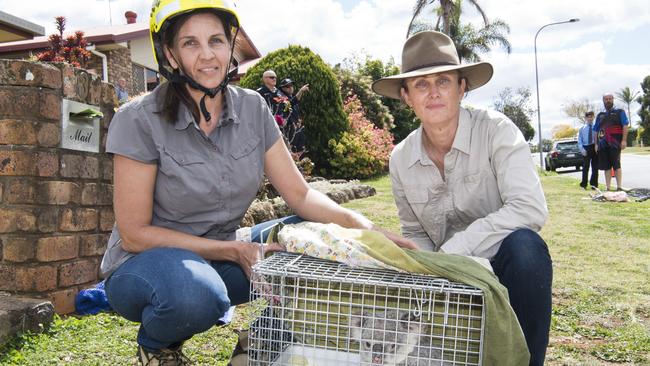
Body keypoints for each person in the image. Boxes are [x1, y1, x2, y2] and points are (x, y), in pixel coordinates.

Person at [100, 1, 415, 365]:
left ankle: (260, 340)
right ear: (170, 54)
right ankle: (155, 345)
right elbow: (135, 233)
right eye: (190, 43)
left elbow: (300, 194)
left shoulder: (252, 108)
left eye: (216, 40)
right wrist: (233, 250)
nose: (207, 55)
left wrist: (366, 230)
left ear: (229, 46)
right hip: (146, 265)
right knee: (198, 295)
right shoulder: (138, 119)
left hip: (222, 254)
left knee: (322, 238)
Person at [371, 31, 551, 366]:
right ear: (406, 96)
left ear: (462, 88)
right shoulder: (400, 158)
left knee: (528, 249)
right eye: (421, 84)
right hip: (444, 273)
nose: (434, 92)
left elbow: (530, 208)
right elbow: (414, 231)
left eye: (444, 81)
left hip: (499, 262)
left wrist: (453, 253)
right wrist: (427, 267)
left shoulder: (497, 130)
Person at [594, 93, 629, 191]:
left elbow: (625, 126)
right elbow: (595, 130)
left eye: (610, 99)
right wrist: (596, 144)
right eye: (606, 99)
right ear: (603, 101)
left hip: (616, 143)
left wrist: (624, 140)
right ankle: (608, 188)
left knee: (617, 165)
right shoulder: (600, 115)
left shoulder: (620, 112)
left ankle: (619, 187)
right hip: (603, 144)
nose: (608, 100)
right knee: (607, 167)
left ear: (613, 99)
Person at [279, 78, 309, 148]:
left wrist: (299, 120)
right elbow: (291, 102)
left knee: (301, 147)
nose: (290, 88)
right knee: (291, 149)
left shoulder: (291, 97)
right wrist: (301, 91)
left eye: (291, 85)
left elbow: (295, 104)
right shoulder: (281, 98)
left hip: (297, 127)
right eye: (287, 86)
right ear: (282, 88)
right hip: (289, 129)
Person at [578, 111, 598, 189]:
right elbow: (579, 140)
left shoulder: (596, 127)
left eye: (591, 117)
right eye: (588, 117)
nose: (590, 118)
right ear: (585, 118)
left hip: (594, 147)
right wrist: (582, 150)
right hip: (586, 148)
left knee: (595, 167)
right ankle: (584, 184)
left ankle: (594, 184)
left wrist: (597, 146)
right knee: (585, 167)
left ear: (593, 117)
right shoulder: (582, 129)